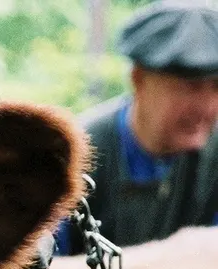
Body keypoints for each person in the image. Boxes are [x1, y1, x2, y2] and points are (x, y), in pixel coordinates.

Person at [56, 0, 218, 255]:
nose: (208, 107)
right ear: (138, 79)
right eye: (191, 87)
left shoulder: (214, 157)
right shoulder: (74, 155)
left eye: (217, 87)